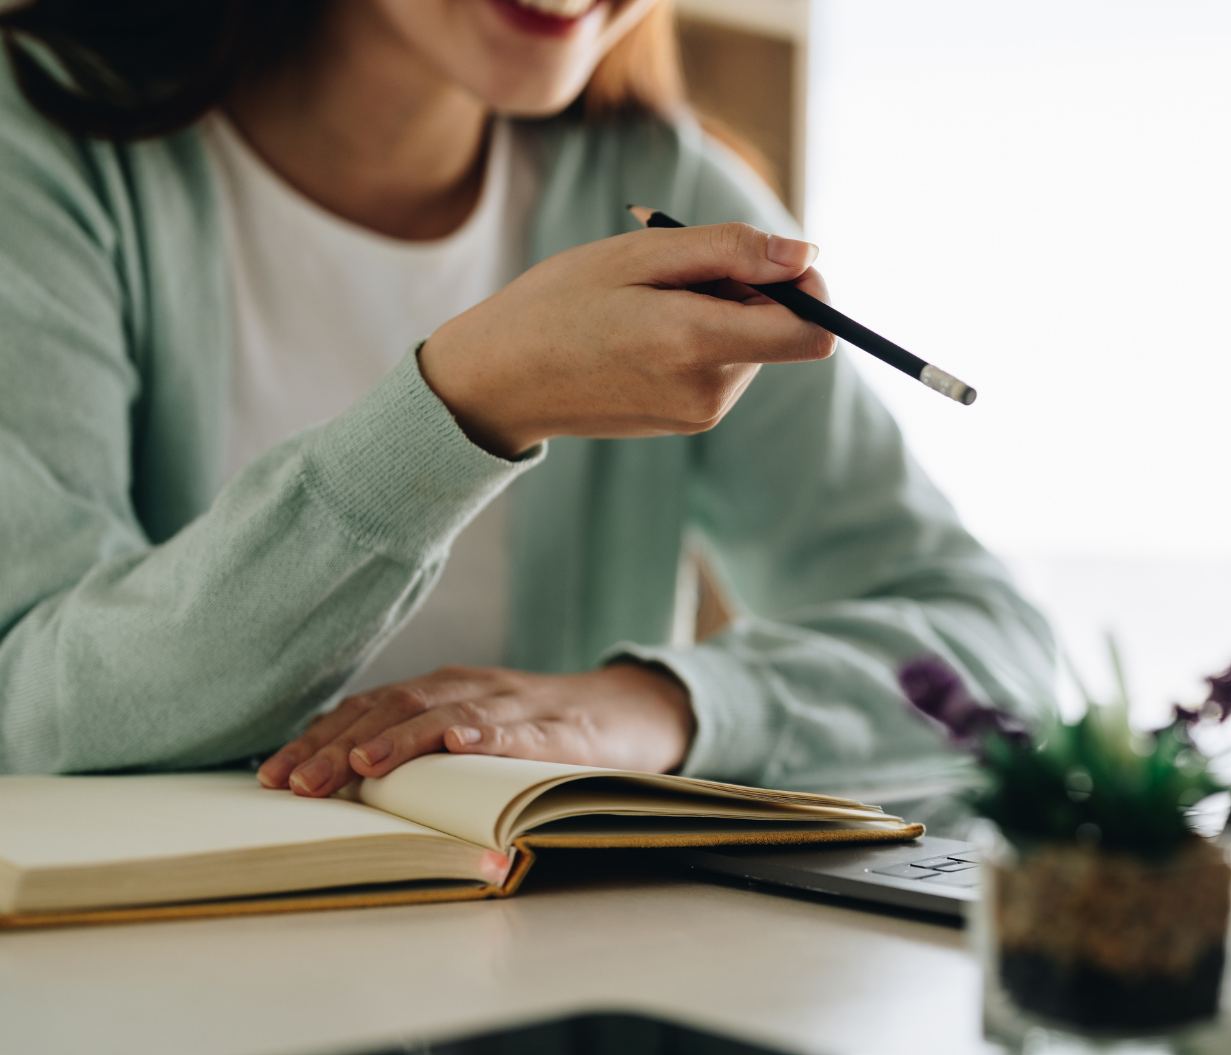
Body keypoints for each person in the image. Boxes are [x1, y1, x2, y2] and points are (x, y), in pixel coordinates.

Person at [0, 0, 1054, 799]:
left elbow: (999, 660)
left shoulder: (658, 189)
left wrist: (666, 708)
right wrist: (461, 406)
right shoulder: (39, 144)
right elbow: (33, 712)